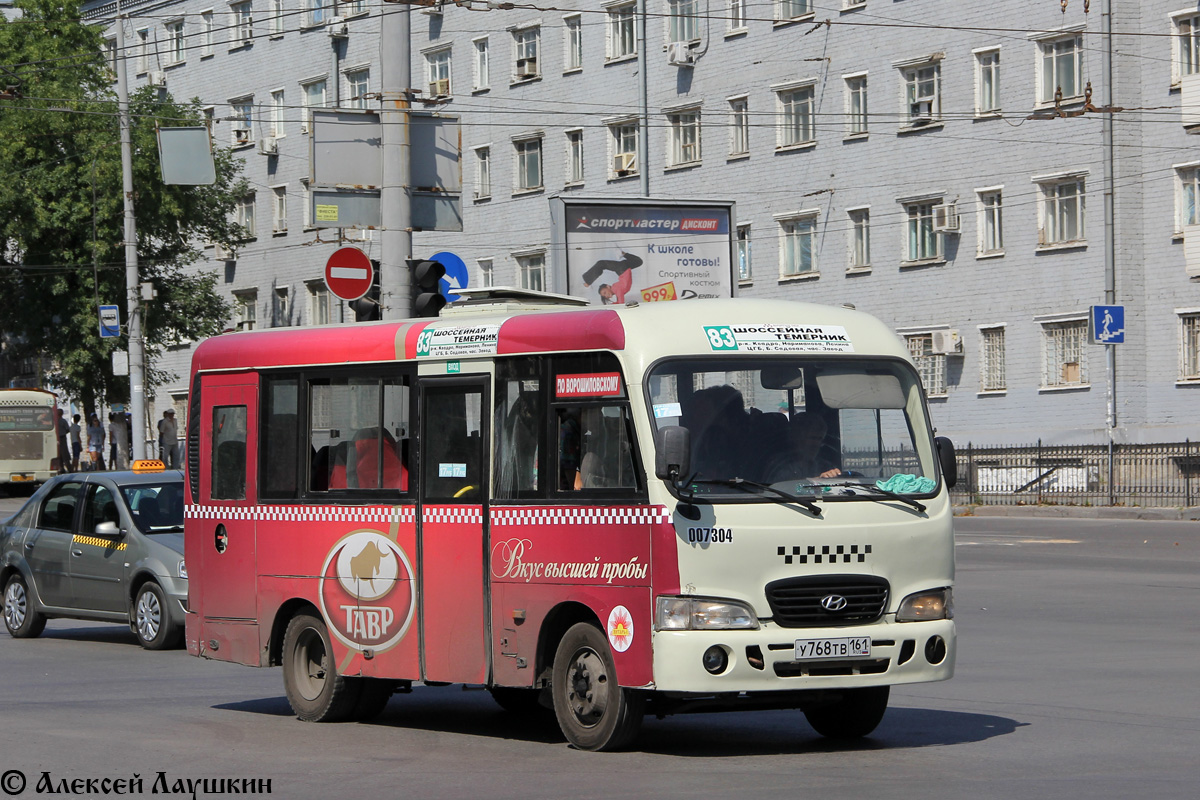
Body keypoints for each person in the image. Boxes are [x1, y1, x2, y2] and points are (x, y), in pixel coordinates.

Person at [55, 409, 71, 474]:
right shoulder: (55, 421)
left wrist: (63, 433)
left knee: (64, 454)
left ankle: (70, 469)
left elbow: (67, 429)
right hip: (57, 438)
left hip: (62, 438)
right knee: (59, 454)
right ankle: (61, 468)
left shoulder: (62, 421)